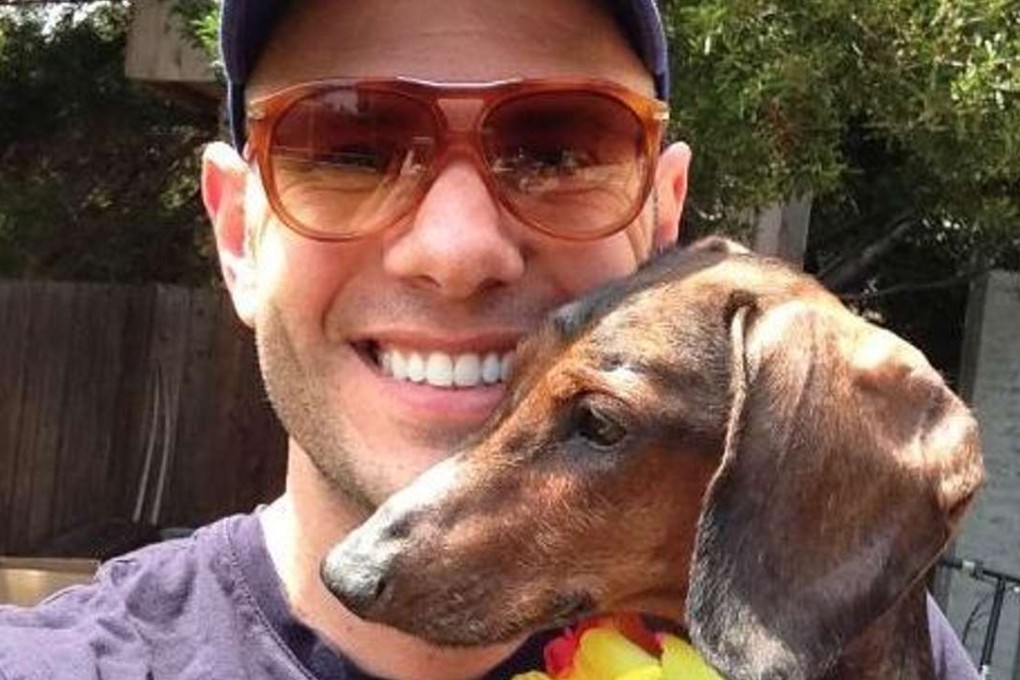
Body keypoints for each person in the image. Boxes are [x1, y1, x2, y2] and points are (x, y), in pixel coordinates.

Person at [0, 1, 980, 678]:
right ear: (233, 236)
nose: (456, 246)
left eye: (560, 144)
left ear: (661, 226)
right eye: (346, 143)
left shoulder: (849, 608)